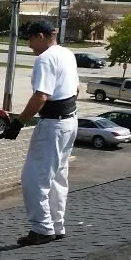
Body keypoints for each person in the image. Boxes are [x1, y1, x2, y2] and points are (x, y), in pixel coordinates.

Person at [16, 20, 81, 247]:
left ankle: (42, 229)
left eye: (30, 39)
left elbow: (41, 96)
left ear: (41, 36)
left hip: (53, 124)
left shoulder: (44, 59)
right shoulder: (67, 54)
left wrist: (19, 122)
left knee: (34, 179)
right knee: (57, 178)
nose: (29, 45)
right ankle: (57, 225)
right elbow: (77, 89)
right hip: (70, 121)